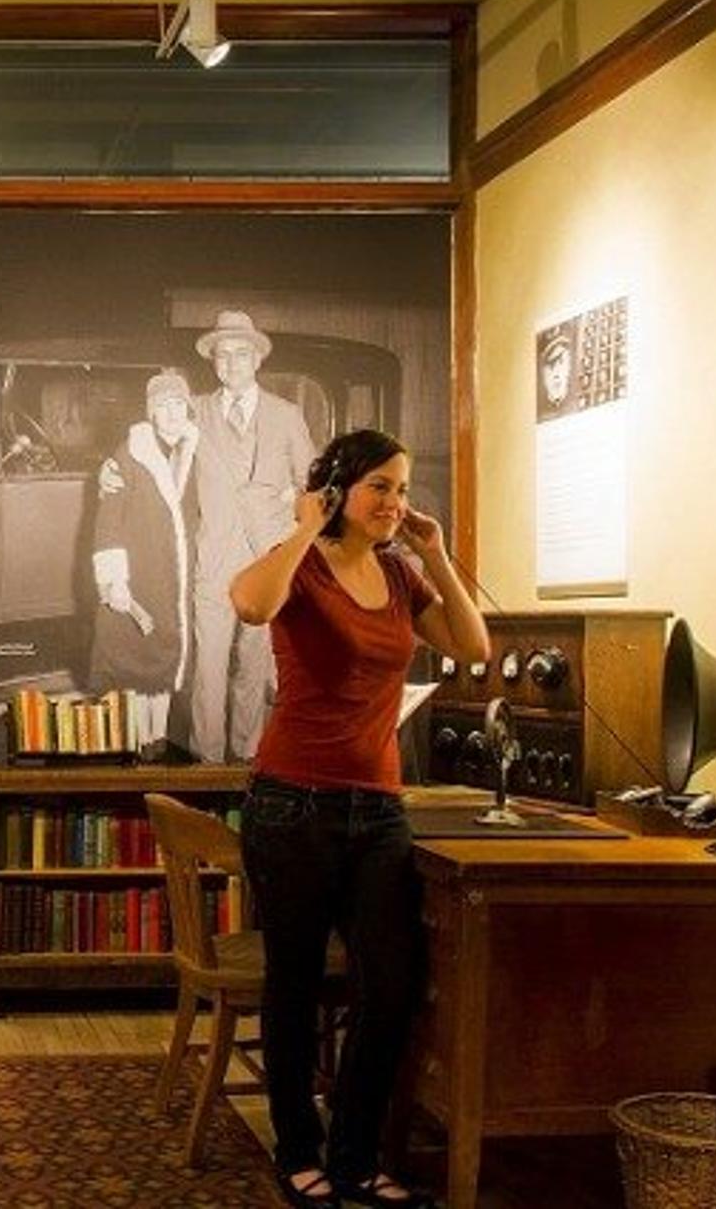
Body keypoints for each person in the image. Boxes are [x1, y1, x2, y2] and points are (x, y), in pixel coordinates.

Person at [228, 429, 488, 1209]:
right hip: (291, 804)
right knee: (296, 984)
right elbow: (248, 602)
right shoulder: (299, 567)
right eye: (380, 486)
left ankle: (357, 1153)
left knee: (394, 984)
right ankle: (298, 1152)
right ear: (339, 488)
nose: (395, 502)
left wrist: (435, 551)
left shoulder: (403, 576)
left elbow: (472, 646)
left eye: (402, 488)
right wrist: (308, 522)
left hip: (378, 810)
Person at [188, 309, 314, 763]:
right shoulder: (194, 411)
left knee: (255, 666)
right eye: (223, 354)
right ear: (213, 361)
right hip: (214, 560)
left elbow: (313, 487)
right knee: (209, 670)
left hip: (267, 563)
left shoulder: (286, 415)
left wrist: (288, 506)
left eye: (242, 353)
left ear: (258, 360)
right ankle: (207, 766)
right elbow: (149, 441)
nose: (232, 363)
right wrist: (113, 470)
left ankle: (247, 763)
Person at [89, 370, 200, 742]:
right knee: (135, 661)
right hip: (139, 573)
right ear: (150, 412)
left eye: (178, 404)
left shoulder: (195, 451)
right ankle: (137, 744)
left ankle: (158, 742)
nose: (171, 412)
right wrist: (114, 580)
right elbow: (108, 520)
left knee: (167, 659)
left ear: (189, 408)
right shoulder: (130, 453)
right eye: (163, 405)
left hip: (175, 576)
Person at [539, 331, 574, 416]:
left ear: (569, 366)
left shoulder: (573, 403)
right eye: (550, 366)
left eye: (561, 363)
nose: (556, 374)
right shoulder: (541, 410)